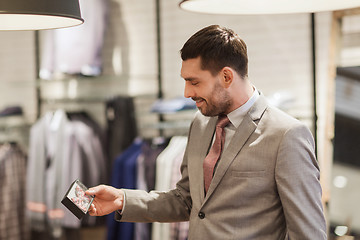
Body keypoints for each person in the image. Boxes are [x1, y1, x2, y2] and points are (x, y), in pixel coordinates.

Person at [86, 25, 327, 239]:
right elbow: (186, 199)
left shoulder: (287, 135)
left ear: (226, 76)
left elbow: (308, 232)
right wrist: (122, 200)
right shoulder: (201, 124)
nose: (186, 93)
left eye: (194, 82)